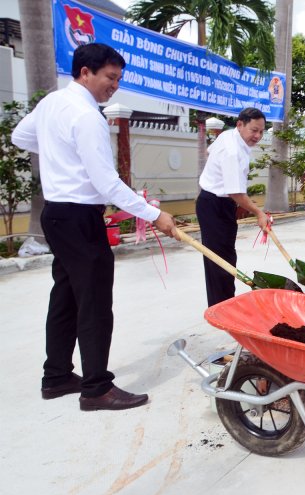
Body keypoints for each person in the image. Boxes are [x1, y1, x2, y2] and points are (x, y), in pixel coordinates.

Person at [11, 43, 179, 411]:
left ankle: (56, 377)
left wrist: (60, 153)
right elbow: (109, 185)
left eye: (118, 79)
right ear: (85, 72)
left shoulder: (52, 103)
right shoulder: (87, 117)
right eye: (110, 77)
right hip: (79, 218)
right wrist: (154, 215)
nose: (114, 85)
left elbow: (18, 137)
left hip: (56, 215)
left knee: (67, 297)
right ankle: (96, 389)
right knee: (95, 304)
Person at [196, 107, 271, 306]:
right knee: (220, 261)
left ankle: (222, 304)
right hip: (214, 205)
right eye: (254, 130)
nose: (258, 136)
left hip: (215, 202)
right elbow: (236, 192)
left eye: (261, 132)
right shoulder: (233, 151)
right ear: (240, 124)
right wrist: (258, 213)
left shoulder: (228, 136)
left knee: (224, 257)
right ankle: (223, 307)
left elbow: (209, 151)